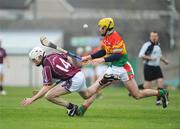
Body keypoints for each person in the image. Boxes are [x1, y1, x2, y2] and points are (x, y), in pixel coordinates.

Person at [77, 18, 169, 116]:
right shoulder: (106, 37)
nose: (100, 29)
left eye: (101, 27)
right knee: (96, 88)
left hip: (123, 69)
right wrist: (89, 57)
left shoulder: (116, 38)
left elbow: (118, 55)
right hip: (112, 69)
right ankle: (82, 109)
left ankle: (161, 93)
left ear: (107, 27)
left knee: (137, 95)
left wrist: (102, 60)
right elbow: (103, 51)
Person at [21, 47, 102, 117]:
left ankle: (71, 107)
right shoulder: (53, 54)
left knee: (49, 96)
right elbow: (69, 58)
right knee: (87, 95)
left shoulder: (46, 67)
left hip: (73, 80)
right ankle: (102, 82)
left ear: (39, 56)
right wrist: (70, 70)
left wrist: (32, 99)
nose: (34, 62)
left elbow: (46, 87)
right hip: (79, 74)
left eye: (34, 60)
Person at [138, 31, 169, 105]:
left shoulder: (158, 45)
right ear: (150, 37)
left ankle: (158, 100)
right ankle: (135, 89)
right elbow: (141, 55)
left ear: (157, 37)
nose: (154, 37)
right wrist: (150, 58)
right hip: (148, 67)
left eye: (155, 36)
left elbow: (159, 55)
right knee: (147, 86)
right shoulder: (147, 45)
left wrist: (164, 60)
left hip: (157, 67)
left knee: (160, 82)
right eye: (152, 36)